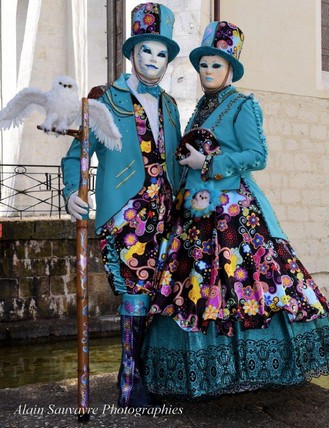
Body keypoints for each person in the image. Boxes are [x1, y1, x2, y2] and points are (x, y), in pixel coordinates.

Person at [141, 21, 329, 398]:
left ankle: (248, 368)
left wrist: (210, 164)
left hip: (234, 211)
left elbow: (257, 155)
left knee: (239, 281)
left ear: (230, 69)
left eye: (216, 65)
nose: (208, 72)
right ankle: (205, 371)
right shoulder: (199, 109)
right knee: (195, 284)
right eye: (204, 65)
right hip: (196, 212)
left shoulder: (243, 104)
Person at [61, 3, 182, 408]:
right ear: (133, 52)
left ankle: (150, 371)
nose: (153, 60)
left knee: (158, 294)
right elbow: (75, 154)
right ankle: (130, 380)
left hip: (166, 212)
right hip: (126, 212)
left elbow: (173, 159)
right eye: (146, 50)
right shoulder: (103, 99)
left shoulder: (169, 105)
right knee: (134, 293)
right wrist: (71, 192)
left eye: (161, 53)